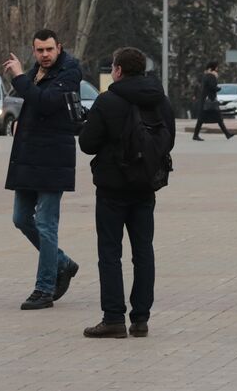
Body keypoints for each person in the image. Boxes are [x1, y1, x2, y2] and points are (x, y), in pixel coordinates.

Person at [78, 47, 176, 338]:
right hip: (146, 186)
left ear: (118, 70)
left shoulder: (108, 100)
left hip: (112, 187)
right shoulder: (160, 100)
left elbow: (87, 143)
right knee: (143, 251)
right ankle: (141, 319)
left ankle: (113, 319)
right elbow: (168, 139)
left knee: (110, 252)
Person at [3, 28, 82, 310]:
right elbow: (33, 104)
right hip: (28, 157)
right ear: (34, 50)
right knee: (21, 218)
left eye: (49, 49)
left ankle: (44, 288)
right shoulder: (36, 72)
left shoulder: (70, 72)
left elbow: (47, 103)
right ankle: (63, 263)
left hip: (53, 159)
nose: (45, 55)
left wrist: (20, 77)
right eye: (40, 50)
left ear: (59, 47)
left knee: (47, 225)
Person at [193, 61, 233, 140]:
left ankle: (227, 134)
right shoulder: (211, 76)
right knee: (218, 119)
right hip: (210, 101)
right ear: (212, 68)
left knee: (202, 119)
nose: (217, 69)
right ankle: (227, 134)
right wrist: (219, 88)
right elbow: (212, 87)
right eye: (216, 67)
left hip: (205, 101)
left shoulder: (205, 76)